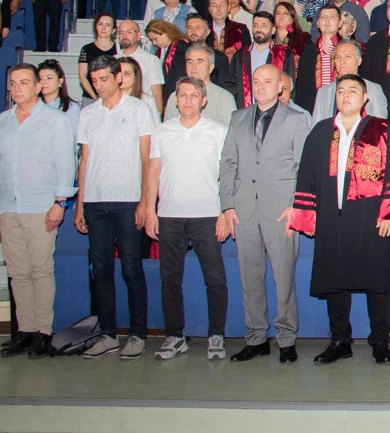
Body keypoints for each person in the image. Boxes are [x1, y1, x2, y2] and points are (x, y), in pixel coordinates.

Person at [287, 75, 390, 365]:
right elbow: (307, 176)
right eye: (341, 91)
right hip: (331, 216)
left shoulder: (381, 129)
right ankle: (340, 339)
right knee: (334, 279)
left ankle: (380, 340)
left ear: (365, 98)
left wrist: (389, 212)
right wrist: (305, 215)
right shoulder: (320, 132)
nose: (346, 95)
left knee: (376, 280)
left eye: (353, 91)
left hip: (370, 216)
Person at [216, 65, 310, 364]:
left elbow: (304, 167)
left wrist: (296, 204)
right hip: (244, 210)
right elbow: (228, 162)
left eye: (267, 82)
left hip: (281, 210)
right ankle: (256, 337)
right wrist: (227, 204)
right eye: (256, 82)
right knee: (250, 277)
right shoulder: (238, 118)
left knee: (284, 279)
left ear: (280, 86)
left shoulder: (297, 119)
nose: (261, 87)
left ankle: (286, 339)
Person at [74, 55, 157, 360]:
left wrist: (145, 202)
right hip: (95, 202)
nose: (98, 85)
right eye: (94, 81)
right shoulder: (87, 114)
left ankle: (137, 334)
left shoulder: (139, 110)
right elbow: (84, 160)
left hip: (127, 200)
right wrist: (80, 204)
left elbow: (147, 160)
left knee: (132, 269)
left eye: (104, 79)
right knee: (101, 270)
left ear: (119, 77)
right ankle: (108, 334)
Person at [142, 76, 229, 361]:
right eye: (183, 95)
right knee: (170, 280)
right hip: (169, 216)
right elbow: (153, 172)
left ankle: (216, 336)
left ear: (204, 100)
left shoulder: (218, 131)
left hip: (207, 215)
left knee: (215, 279)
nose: (188, 100)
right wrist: (150, 210)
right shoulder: (162, 131)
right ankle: (174, 336)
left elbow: (227, 177)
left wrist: (223, 213)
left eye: (194, 95)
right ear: (175, 100)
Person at [0, 64, 76, 360]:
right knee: (18, 273)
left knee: (40, 270)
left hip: (42, 207)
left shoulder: (55, 121)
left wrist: (60, 202)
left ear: (37, 86)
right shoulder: (3, 121)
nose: (17, 88)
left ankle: (43, 333)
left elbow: (65, 164)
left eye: (23, 83)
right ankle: (25, 332)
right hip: (9, 207)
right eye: (12, 83)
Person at [311, 40, 389, 124]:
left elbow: (380, 127)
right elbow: (315, 129)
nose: (342, 61)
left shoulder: (373, 90)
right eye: (338, 57)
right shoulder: (323, 92)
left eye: (347, 57)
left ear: (359, 61)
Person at [163, 44, 237, 126]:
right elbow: (166, 129)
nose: (194, 66)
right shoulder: (175, 96)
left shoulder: (223, 98)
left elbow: (232, 133)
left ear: (211, 67)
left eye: (199, 62)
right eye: (190, 62)